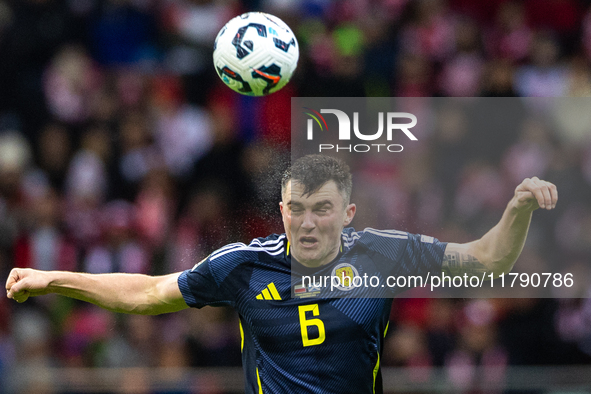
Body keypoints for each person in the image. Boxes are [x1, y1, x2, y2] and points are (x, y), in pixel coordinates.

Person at [6, 154, 557, 394]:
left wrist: (518, 209)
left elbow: (488, 258)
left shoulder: (385, 253)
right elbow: (150, 292)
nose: (308, 222)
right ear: (282, 211)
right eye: (296, 208)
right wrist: (55, 278)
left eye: (323, 209)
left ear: (347, 214)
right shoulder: (244, 265)